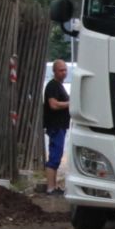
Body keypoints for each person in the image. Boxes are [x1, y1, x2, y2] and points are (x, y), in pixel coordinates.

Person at [43, 60, 70, 195]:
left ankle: (53, 187)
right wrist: (70, 103)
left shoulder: (59, 85)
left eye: (65, 69)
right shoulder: (53, 86)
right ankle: (50, 188)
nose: (64, 72)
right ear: (54, 71)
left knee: (57, 155)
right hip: (55, 126)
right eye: (61, 70)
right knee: (54, 156)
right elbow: (53, 105)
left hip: (61, 126)